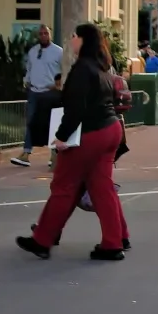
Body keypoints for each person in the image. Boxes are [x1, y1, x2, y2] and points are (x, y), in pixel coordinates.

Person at [16, 23, 129, 260]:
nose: (71, 39)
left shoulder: (81, 69)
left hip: (90, 133)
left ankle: (43, 239)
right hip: (111, 130)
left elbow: (75, 109)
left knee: (64, 186)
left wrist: (61, 137)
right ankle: (115, 240)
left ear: (83, 40)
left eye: (75, 35)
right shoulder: (101, 67)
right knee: (102, 187)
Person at [12, 26, 64, 167]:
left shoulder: (59, 52)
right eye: (41, 34)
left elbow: (65, 71)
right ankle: (26, 154)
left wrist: (57, 85)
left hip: (51, 93)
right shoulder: (33, 51)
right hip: (34, 92)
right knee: (30, 122)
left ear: (50, 35)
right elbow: (29, 68)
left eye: (46, 33)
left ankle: (54, 155)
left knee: (51, 124)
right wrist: (26, 82)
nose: (43, 36)